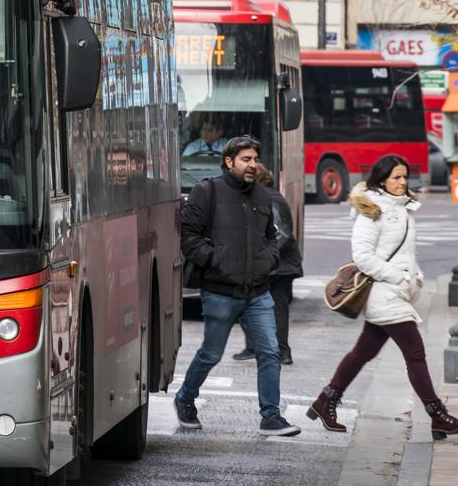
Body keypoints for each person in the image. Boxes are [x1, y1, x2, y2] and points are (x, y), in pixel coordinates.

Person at [307, 156, 458, 438]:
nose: (402, 182)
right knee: (415, 352)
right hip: (384, 295)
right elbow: (362, 256)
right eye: (396, 178)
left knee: (364, 352)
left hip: (396, 293)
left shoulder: (403, 208)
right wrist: (398, 277)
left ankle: (326, 400)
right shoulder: (372, 211)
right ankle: (436, 414)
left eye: (404, 177)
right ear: (381, 180)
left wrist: (416, 277)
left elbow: (407, 253)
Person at [173, 135, 300, 437]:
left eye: (255, 159)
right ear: (228, 162)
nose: (252, 165)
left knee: (269, 352)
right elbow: (187, 235)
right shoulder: (208, 191)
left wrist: (267, 261)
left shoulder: (262, 195)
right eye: (246, 159)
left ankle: (271, 416)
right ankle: (185, 399)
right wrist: (216, 260)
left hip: (258, 292)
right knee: (211, 354)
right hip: (220, 291)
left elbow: (273, 236)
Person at [232, 169, 303, 365]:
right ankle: (277, 350)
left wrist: (261, 259)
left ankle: (269, 349)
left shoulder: (268, 199)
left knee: (250, 303)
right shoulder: (269, 197)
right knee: (274, 307)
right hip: (281, 264)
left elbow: (282, 233)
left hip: (276, 265)